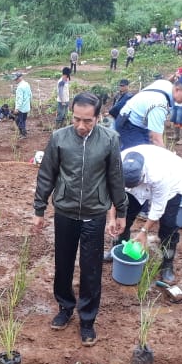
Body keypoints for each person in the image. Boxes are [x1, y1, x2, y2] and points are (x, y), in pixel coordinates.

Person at [33, 92, 127, 347]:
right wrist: (39, 210)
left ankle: (87, 320)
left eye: (88, 121)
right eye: (77, 119)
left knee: (91, 268)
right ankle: (65, 308)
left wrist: (121, 211)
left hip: (95, 214)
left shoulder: (109, 139)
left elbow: (116, 178)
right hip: (65, 211)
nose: (81, 126)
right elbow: (46, 175)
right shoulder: (59, 138)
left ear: (98, 117)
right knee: (62, 264)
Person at [110, 145, 182, 284]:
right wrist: (112, 219)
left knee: (168, 225)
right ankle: (118, 248)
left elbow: (158, 207)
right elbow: (113, 193)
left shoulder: (160, 174)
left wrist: (144, 231)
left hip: (171, 185)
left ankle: (167, 264)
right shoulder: (115, 165)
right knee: (123, 216)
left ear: (142, 175)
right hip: (135, 181)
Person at [115, 68, 182, 149]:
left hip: (137, 121)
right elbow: (156, 140)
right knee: (138, 157)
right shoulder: (159, 105)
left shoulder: (165, 84)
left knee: (148, 151)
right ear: (177, 89)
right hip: (129, 125)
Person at [13, 72, 32, 139]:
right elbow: (30, 95)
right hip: (26, 107)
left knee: (18, 120)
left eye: (16, 79)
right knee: (23, 120)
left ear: (20, 78)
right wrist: (30, 103)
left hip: (21, 108)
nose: (16, 80)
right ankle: (24, 132)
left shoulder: (20, 87)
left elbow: (19, 99)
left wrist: (17, 108)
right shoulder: (27, 84)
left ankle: (23, 134)